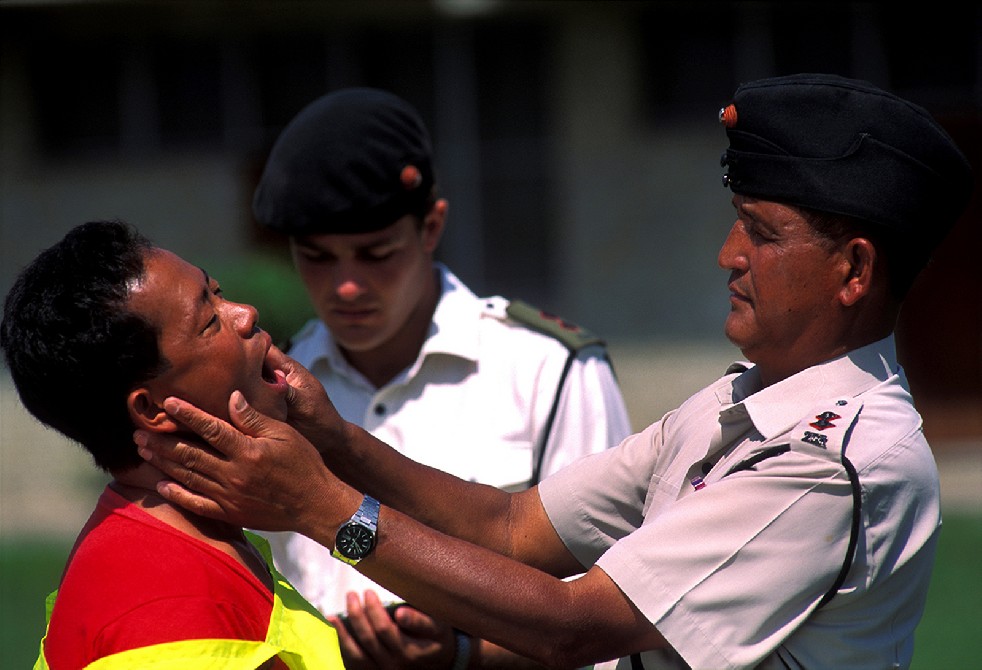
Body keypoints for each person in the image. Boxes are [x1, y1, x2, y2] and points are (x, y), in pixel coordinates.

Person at [136, 73, 975, 669]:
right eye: (736, 225)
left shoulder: (828, 460)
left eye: (760, 232)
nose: (728, 256)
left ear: (854, 271)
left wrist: (320, 508)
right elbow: (514, 527)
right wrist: (335, 440)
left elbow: (575, 626)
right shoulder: (740, 401)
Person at [250, 87, 632, 666]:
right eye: (317, 257)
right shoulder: (272, 385)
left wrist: (461, 653)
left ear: (431, 226)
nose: (346, 286)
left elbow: (615, 618)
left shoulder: (548, 369)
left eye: (376, 254)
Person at [1, 221, 344, 669]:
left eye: (217, 291)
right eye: (209, 322)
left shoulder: (174, 539)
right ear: (153, 410)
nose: (245, 313)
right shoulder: (168, 607)